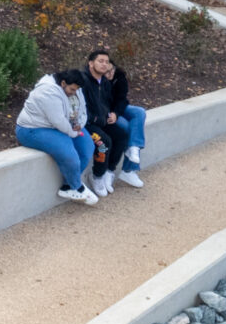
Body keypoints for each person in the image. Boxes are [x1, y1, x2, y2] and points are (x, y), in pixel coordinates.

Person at [16, 66, 99, 205]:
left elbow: (83, 110)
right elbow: (58, 120)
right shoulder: (47, 91)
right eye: (72, 90)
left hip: (64, 126)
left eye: (77, 90)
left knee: (87, 147)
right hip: (33, 129)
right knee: (69, 154)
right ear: (63, 83)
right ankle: (77, 187)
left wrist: (80, 123)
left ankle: (68, 186)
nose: (75, 93)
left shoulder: (75, 88)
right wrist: (73, 132)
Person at [81, 47, 146, 194]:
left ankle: (109, 171)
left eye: (106, 62)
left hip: (102, 120)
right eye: (100, 61)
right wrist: (97, 118)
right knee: (104, 143)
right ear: (91, 63)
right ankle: (97, 175)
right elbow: (80, 108)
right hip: (87, 123)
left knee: (122, 135)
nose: (104, 64)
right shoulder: (83, 80)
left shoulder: (104, 82)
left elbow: (112, 102)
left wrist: (114, 114)